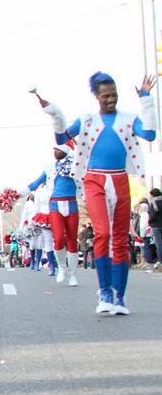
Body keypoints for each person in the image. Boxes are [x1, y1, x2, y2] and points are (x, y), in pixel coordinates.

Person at [40, 72, 157, 314]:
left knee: (121, 238)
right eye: (106, 96)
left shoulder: (128, 118)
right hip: (94, 180)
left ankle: (119, 298)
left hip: (119, 179)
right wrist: (54, 112)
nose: (111, 99)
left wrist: (146, 99)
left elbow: (149, 134)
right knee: (103, 232)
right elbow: (62, 136)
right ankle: (104, 293)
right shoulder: (88, 120)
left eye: (114, 95)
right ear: (96, 96)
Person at [13, 144, 81, 284]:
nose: (54, 152)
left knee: (72, 240)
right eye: (54, 149)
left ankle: (72, 274)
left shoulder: (76, 164)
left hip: (72, 204)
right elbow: (35, 183)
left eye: (57, 149)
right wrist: (16, 195)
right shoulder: (50, 168)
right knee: (58, 238)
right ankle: (62, 267)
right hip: (55, 205)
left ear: (65, 151)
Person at [148, 189, 162, 271]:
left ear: (153, 195)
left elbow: (153, 215)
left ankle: (160, 260)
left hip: (156, 226)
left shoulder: (153, 203)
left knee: (159, 244)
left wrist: (149, 222)